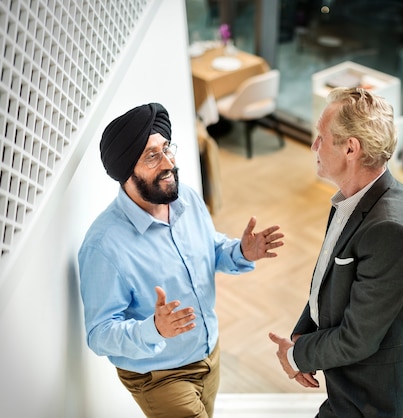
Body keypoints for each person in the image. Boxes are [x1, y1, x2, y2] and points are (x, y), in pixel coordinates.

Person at [78, 102, 284, 418]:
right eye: (152, 156)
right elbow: (100, 334)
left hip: (208, 354)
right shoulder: (104, 246)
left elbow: (209, 248)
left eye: (167, 148)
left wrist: (241, 252)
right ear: (125, 172)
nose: (168, 162)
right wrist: (154, 329)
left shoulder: (185, 196)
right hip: (159, 377)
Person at [269, 88, 403, 417]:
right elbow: (331, 281)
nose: (314, 146)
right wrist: (303, 333)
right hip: (349, 380)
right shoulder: (355, 198)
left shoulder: (391, 230)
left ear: (350, 148)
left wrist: (297, 355)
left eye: (321, 136)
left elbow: (357, 338)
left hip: (369, 395)